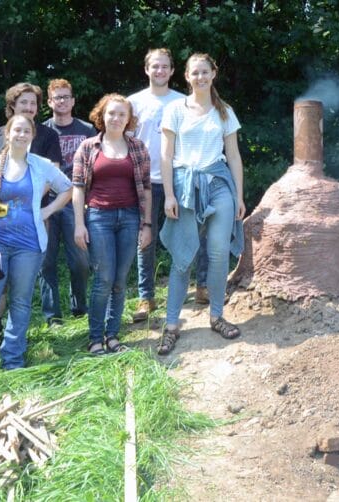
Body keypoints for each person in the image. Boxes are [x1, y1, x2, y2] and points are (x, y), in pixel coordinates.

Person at [0, 115, 72, 369]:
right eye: (17, 130)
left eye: (27, 131)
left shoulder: (41, 164)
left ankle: (12, 359)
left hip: (30, 246)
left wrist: (46, 211)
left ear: (32, 136)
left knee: (21, 303)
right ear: (7, 134)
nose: (22, 135)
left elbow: (68, 188)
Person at [158, 53, 245, 355]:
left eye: (205, 72)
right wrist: (168, 194)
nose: (200, 77)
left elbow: (233, 156)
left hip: (219, 184)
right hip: (185, 187)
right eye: (195, 73)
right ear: (186, 76)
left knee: (219, 251)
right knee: (184, 255)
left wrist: (240, 196)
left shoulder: (224, 111)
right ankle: (171, 326)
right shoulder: (174, 110)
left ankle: (217, 316)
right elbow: (166, 157)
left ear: (213, 73)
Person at [128, 48, 210, 322]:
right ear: (146, 69)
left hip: (180, 179)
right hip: (145, 181)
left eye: (165, 67)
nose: (160, 71)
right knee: (145, 240)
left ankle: (201, 286)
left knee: (189, 234)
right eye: (155, 66)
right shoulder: (134, 103)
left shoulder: (185, 102)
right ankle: (145, 297)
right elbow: (125, 143)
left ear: (173, 71)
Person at [0, 82, 63, 342]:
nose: (28, 107)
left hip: (35, 217)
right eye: (23, 102)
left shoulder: (48, 136)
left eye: (33, 103)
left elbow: (54, 177)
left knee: (35, 271)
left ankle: (42, 322)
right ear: (12, 105)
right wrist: (2, 212)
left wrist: (37, 208)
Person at [72, 94, 152, 355]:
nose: (116, 118)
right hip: (98, 218)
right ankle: (95, 338)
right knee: (103, 279)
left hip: (130, 218)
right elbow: (78, 188)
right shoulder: (88, 147)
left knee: (119, 281)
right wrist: (79, 224)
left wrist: (147, 224)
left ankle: (113, 336)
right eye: (111, 113)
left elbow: (148, 188)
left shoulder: (138, 147)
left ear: (129, 119)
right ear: (102, 116)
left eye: (122, 114)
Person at [39, 79, 96, 327]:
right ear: (49, 102)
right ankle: (52, 316)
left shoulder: (87, 130)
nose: (61, 101)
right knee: (45, 261)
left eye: (66, 97)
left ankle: (80, 307)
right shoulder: (39, 131)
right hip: (46, 202)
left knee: (81, 261)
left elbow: (96, 166)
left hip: (76, 202)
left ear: (73, 101)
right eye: (57, 97)